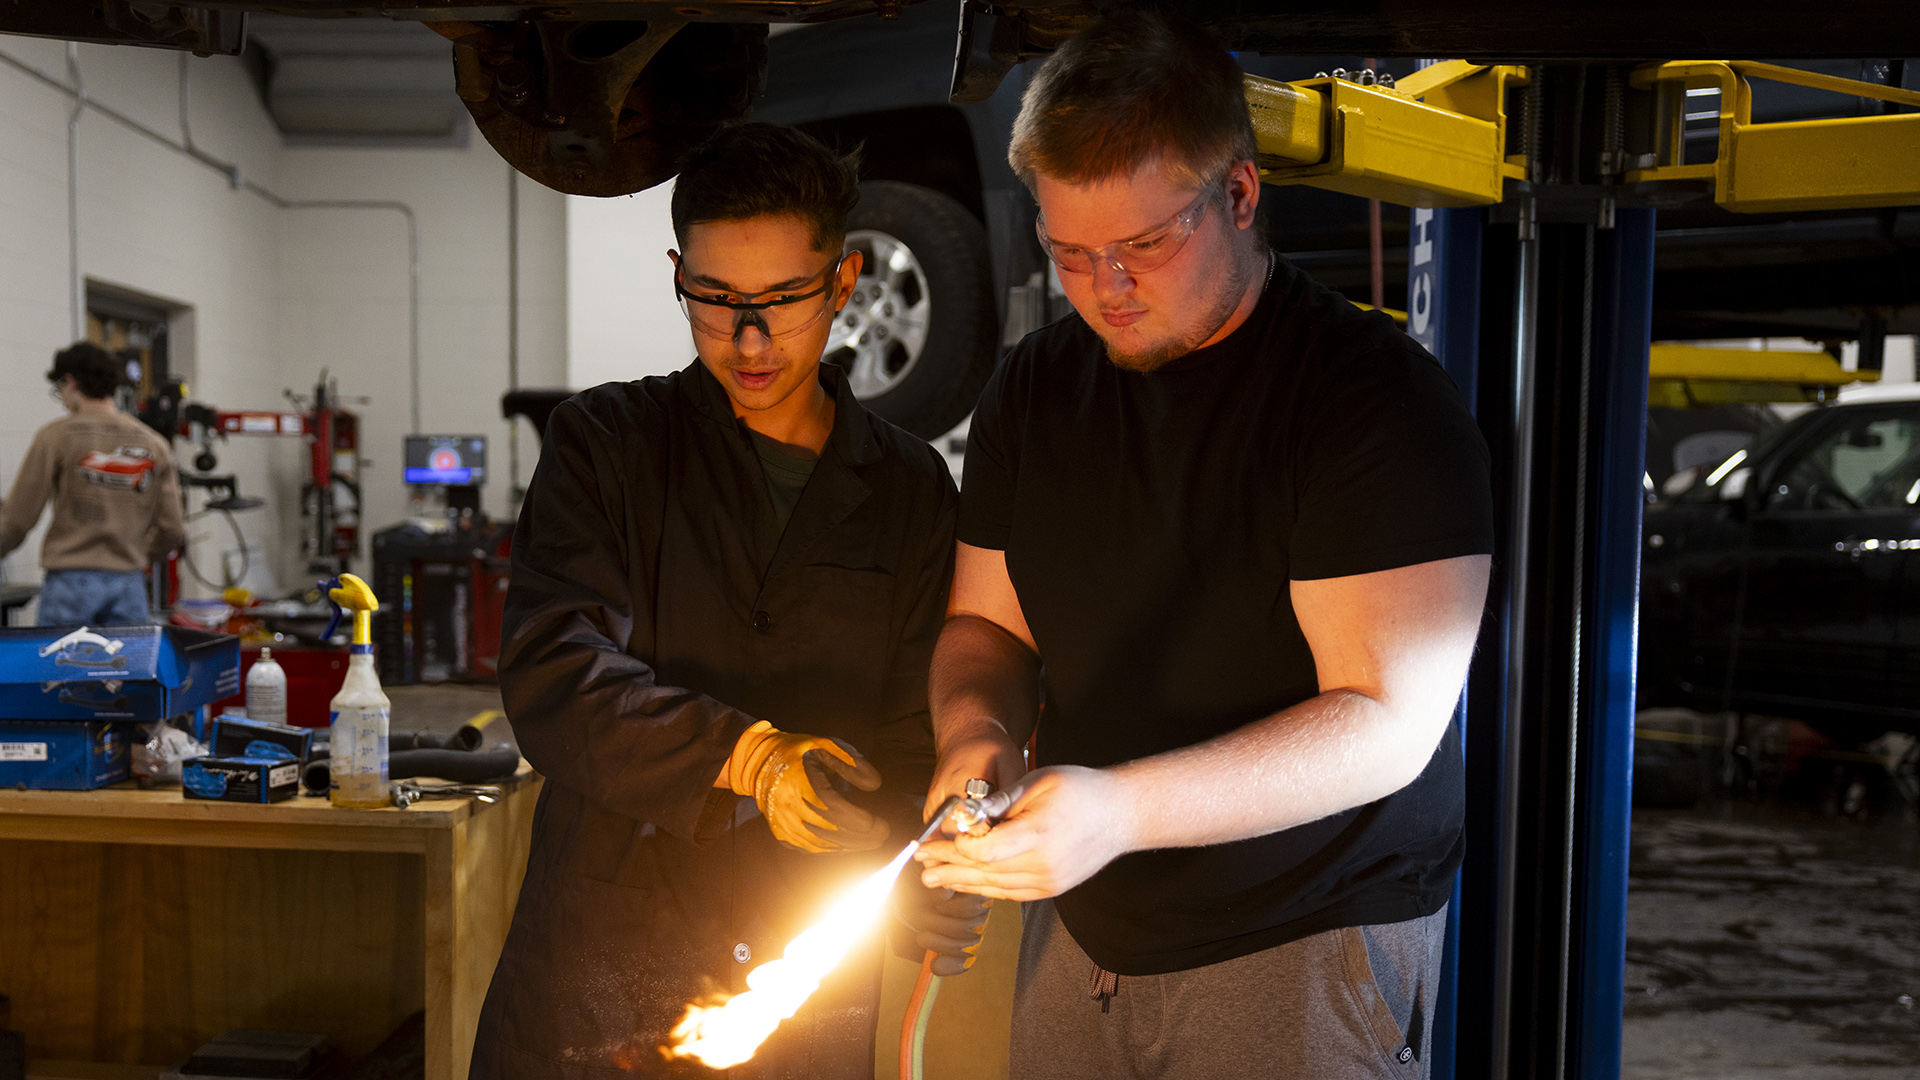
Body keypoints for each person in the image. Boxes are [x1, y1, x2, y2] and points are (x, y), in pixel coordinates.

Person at [913, 12, 1496, 1080]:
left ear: (1238, 194)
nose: (1107, 287)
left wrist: (1119, 809)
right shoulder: (1035, 391)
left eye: (1145, 245)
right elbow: (984, 627)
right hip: (1086, 919)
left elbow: (1385, 723)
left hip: (1299, 930)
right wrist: (975, 733)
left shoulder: (1372, 404)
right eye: (1070, 253)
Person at [471, 123, 967, 1080]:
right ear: (677, 276)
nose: (748, 339)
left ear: (844, 281)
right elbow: (554, 669)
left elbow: (917, 730)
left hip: (803, 960)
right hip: (610, 955)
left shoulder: (909, 490)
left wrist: (914, 865)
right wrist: (749, 758)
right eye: (715, 300)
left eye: (781, 300)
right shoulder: (607, 445)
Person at [0, 342, 183, 626]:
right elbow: (173, 528)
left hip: (70, 585)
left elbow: (17, 520)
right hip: (129, 584)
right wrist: (139, 557)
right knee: (125, 656)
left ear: (70, 382)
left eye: (59, 390)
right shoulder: (154, 443)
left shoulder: (55, 437)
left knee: (62, 656)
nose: (63, 401)